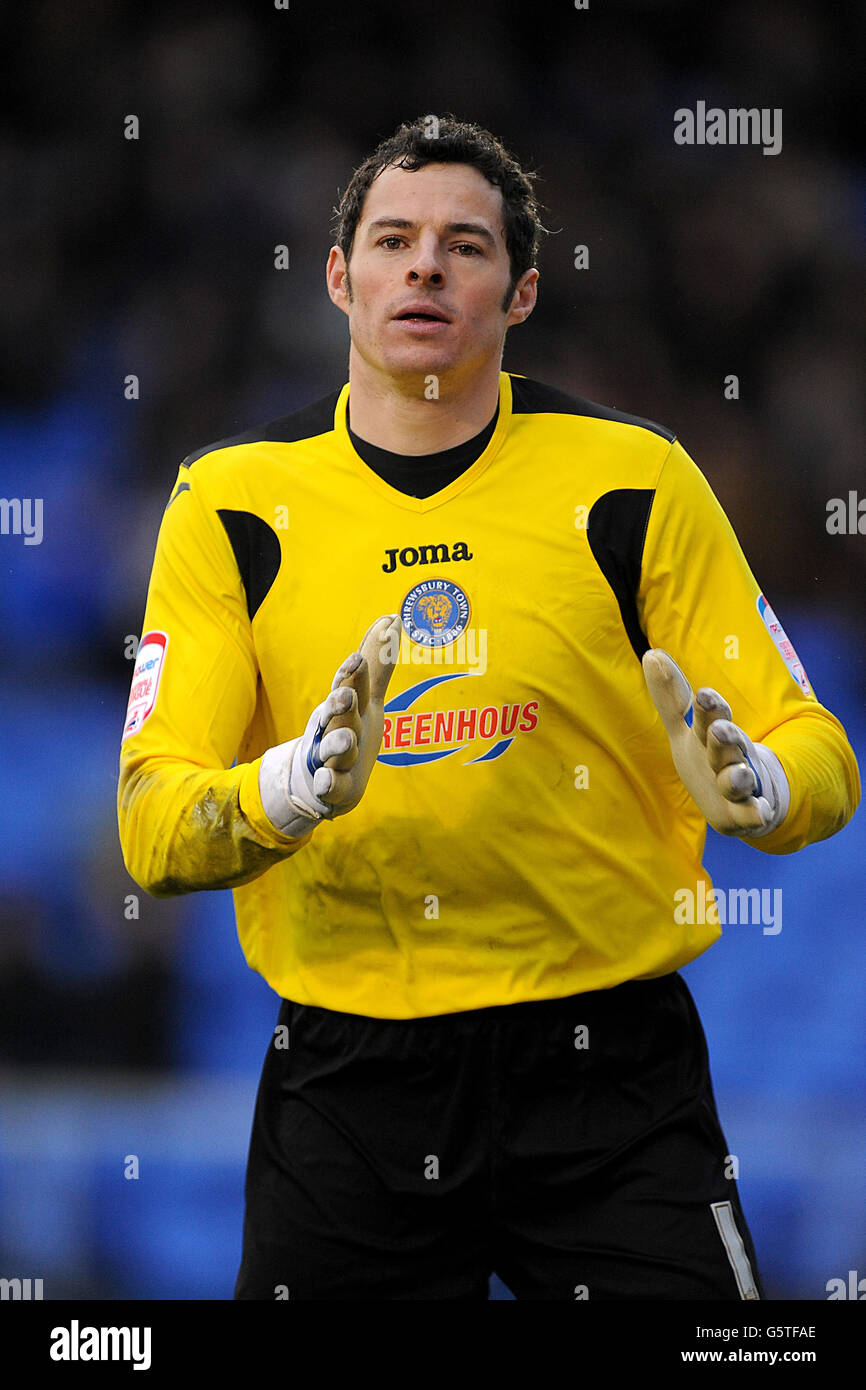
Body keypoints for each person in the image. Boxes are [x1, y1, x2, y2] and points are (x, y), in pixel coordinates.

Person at [117, 116, 859, 1301]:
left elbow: (817, 749)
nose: (422, 266)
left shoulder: (633, 478)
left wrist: (761, 791)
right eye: (393, 239)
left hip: (607, 1071)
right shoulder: (231, 502)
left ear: (517, 296)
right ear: (337, 278)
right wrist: (292, 785)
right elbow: (152, 831)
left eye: (462, 247)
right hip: (351, 1084)